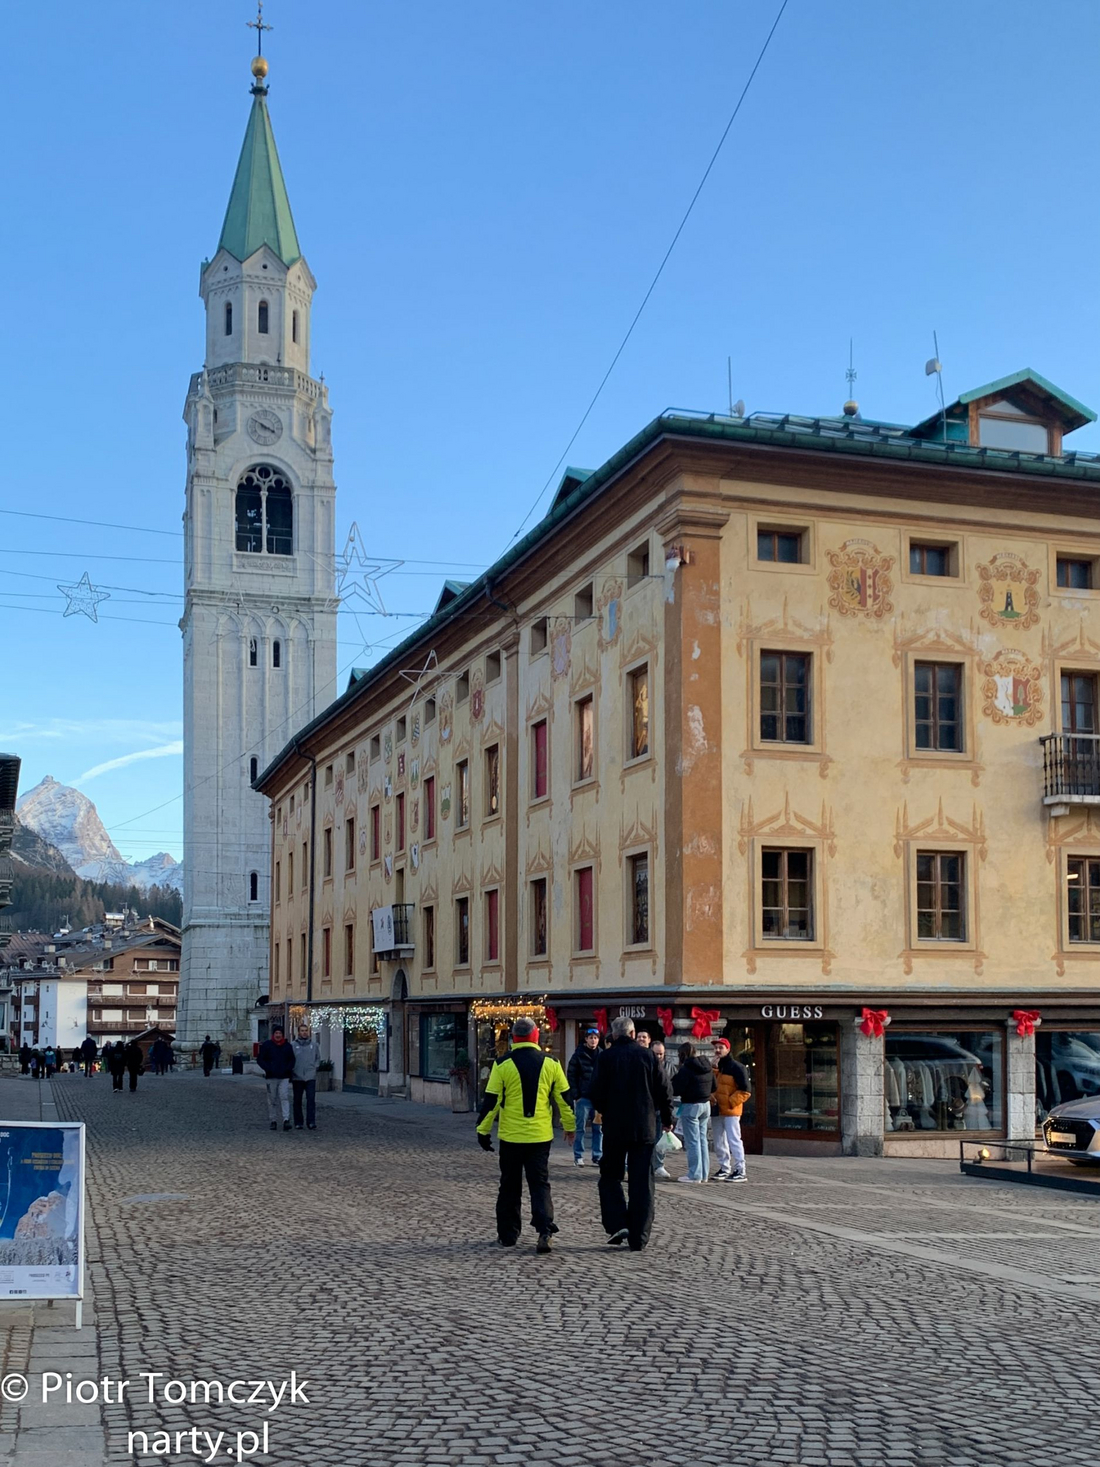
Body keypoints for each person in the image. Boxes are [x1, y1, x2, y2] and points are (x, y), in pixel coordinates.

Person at [475, 1016, 575, 1253]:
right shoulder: (551, 1063)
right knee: (540, 1184)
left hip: (511, 1137)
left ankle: (508, 1235)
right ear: (535, 1037)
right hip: (540, 1137)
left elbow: (492, 1102)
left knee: (509, 1185)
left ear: (514, 1038)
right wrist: (570, 1127)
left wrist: (483, 1130)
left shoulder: (502, 1064)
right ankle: (544, 1230)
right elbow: (565, 1099)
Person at [589, 1016, 674, 1252]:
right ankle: (639, 1236)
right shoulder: (647, 1056)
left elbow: (595, 1091)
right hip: (643, 1127)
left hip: (615, 1127)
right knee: (641, 1182)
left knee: (610, 1176)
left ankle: (617, 1222)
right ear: (633, 1033)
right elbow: (664, 1090)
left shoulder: (605, 1057)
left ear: (614, 1035)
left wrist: (605, 1110)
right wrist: (667, 1120)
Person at [671, 1042, 717, 1183]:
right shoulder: (707, 1066)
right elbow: (714, 1086)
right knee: (702, 1140)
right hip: (705, 1105)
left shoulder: (686, 1069)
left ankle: (694, 1174)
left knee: (692, 1141)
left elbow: (676, 1089)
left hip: (691, 1105)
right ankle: (703, 1174)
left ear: (682, 1055)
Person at [712, 1037, 751, 1182]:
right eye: (716, 1047)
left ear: (728, 1049)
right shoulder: (716, 1067)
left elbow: (745, 1091)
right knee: (719, 1141)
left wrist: (730, 1102)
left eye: (721, 1047)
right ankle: (724, 1167)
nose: (717, 1050)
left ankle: (740, 1169)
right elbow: (712, 1085)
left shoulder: (737, 1067)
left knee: (734, 1139)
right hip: (717, 1109)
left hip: (731, 1110)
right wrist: (714, 1070)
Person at [566, 1026, 603, 1168]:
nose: (593, 1040)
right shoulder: (578, 1055)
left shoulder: (602, 1054)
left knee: (598, 1128)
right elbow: (571, 1075)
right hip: (584, 1097)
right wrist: (576, 1095)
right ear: (586, 1039)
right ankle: (578, 1155)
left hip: (598, 1098)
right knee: (580, 1127)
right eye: (590, 1038)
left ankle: (597, 1155)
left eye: (595, 1038)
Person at [257, 1026, 295, 1131]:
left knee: (284, 1097)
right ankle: (273, 1120)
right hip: (271, 1076)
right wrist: (267, 1068)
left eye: (280, 1033)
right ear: (273, 1034)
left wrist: (288, 1069)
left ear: (282, 1035)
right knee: (272, 1099)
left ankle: (286, 1119)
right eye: (276, 1033)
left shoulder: (287, 1046)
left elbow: (292, 1060)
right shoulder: (267, 1045)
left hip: (284, 1076)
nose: (278, 1035)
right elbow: (260, 1059)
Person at [650, 1038, 673, 1181]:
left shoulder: (669, 1067)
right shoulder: (646, 1066)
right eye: (657, 1054)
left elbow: (669, 1089)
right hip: (649, 1108)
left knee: (660, 1139)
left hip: (661, 1107)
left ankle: (659, 1164)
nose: (659, 1057)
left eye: (661, 1054)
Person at [291, 1024, 320, 1131]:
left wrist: (315, 1068)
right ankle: (298, 1122)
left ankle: (311, 1122)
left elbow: (318, 1058)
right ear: (298, 1032)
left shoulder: (314, 1045)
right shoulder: (293, 1045)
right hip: (297, 1077)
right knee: (297, 1100)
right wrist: (293, 1070)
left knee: (311, 1100)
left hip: (310, 1076)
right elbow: (290, 1059)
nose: (304, 1032)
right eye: (302, 1030)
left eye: (306, 1030)